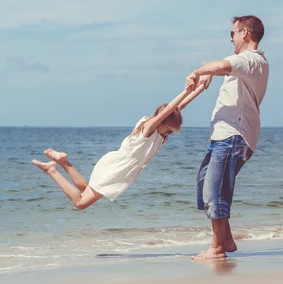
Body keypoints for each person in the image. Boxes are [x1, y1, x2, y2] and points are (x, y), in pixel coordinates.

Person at [32, 82, 208, 209]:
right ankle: (52, 170)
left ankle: (64, 162)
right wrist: (185, 90)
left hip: (120, 167)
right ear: (161, 120)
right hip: (118, 167)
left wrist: (199, 89)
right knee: (80, 203)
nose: (168, 131)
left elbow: (177, 109)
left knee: (85, 189)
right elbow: (170, 109)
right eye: (168, 127)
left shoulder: (160, 133)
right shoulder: (148, 128)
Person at [186, 15, 269, 261]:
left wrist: (198, 70)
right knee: (205, 182)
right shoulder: (246, 64)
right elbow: (224, 67)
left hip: (234, 134)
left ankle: (216, 249)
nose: (230, 38)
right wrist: (209, 73)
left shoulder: (251, 60)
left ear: (244, 33)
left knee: (215, 189)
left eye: (232, 33)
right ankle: (227, 241)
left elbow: (223, 65)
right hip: (225, 135)